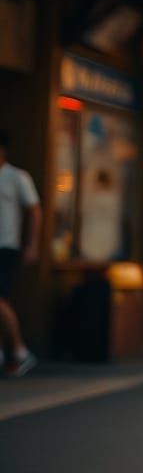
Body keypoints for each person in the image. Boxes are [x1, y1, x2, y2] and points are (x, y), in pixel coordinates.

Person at [0, 130, 41, 378]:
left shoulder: (16, 177)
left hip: (7, 246)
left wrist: (32, 244)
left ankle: (20, 351)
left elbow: (35, 210)